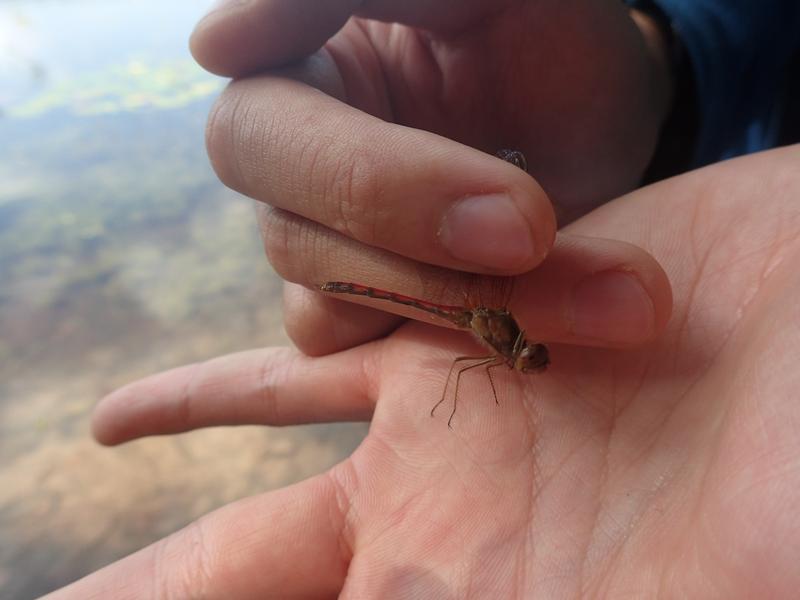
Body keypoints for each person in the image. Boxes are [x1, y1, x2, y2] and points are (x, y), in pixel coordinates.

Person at [46, 0, 800, 596]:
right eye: (532, 356)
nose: (530, 363)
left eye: (529, 358)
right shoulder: (501, 332)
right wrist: (662, 71)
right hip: (693, 91)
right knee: (370, 300)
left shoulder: (508, 348)